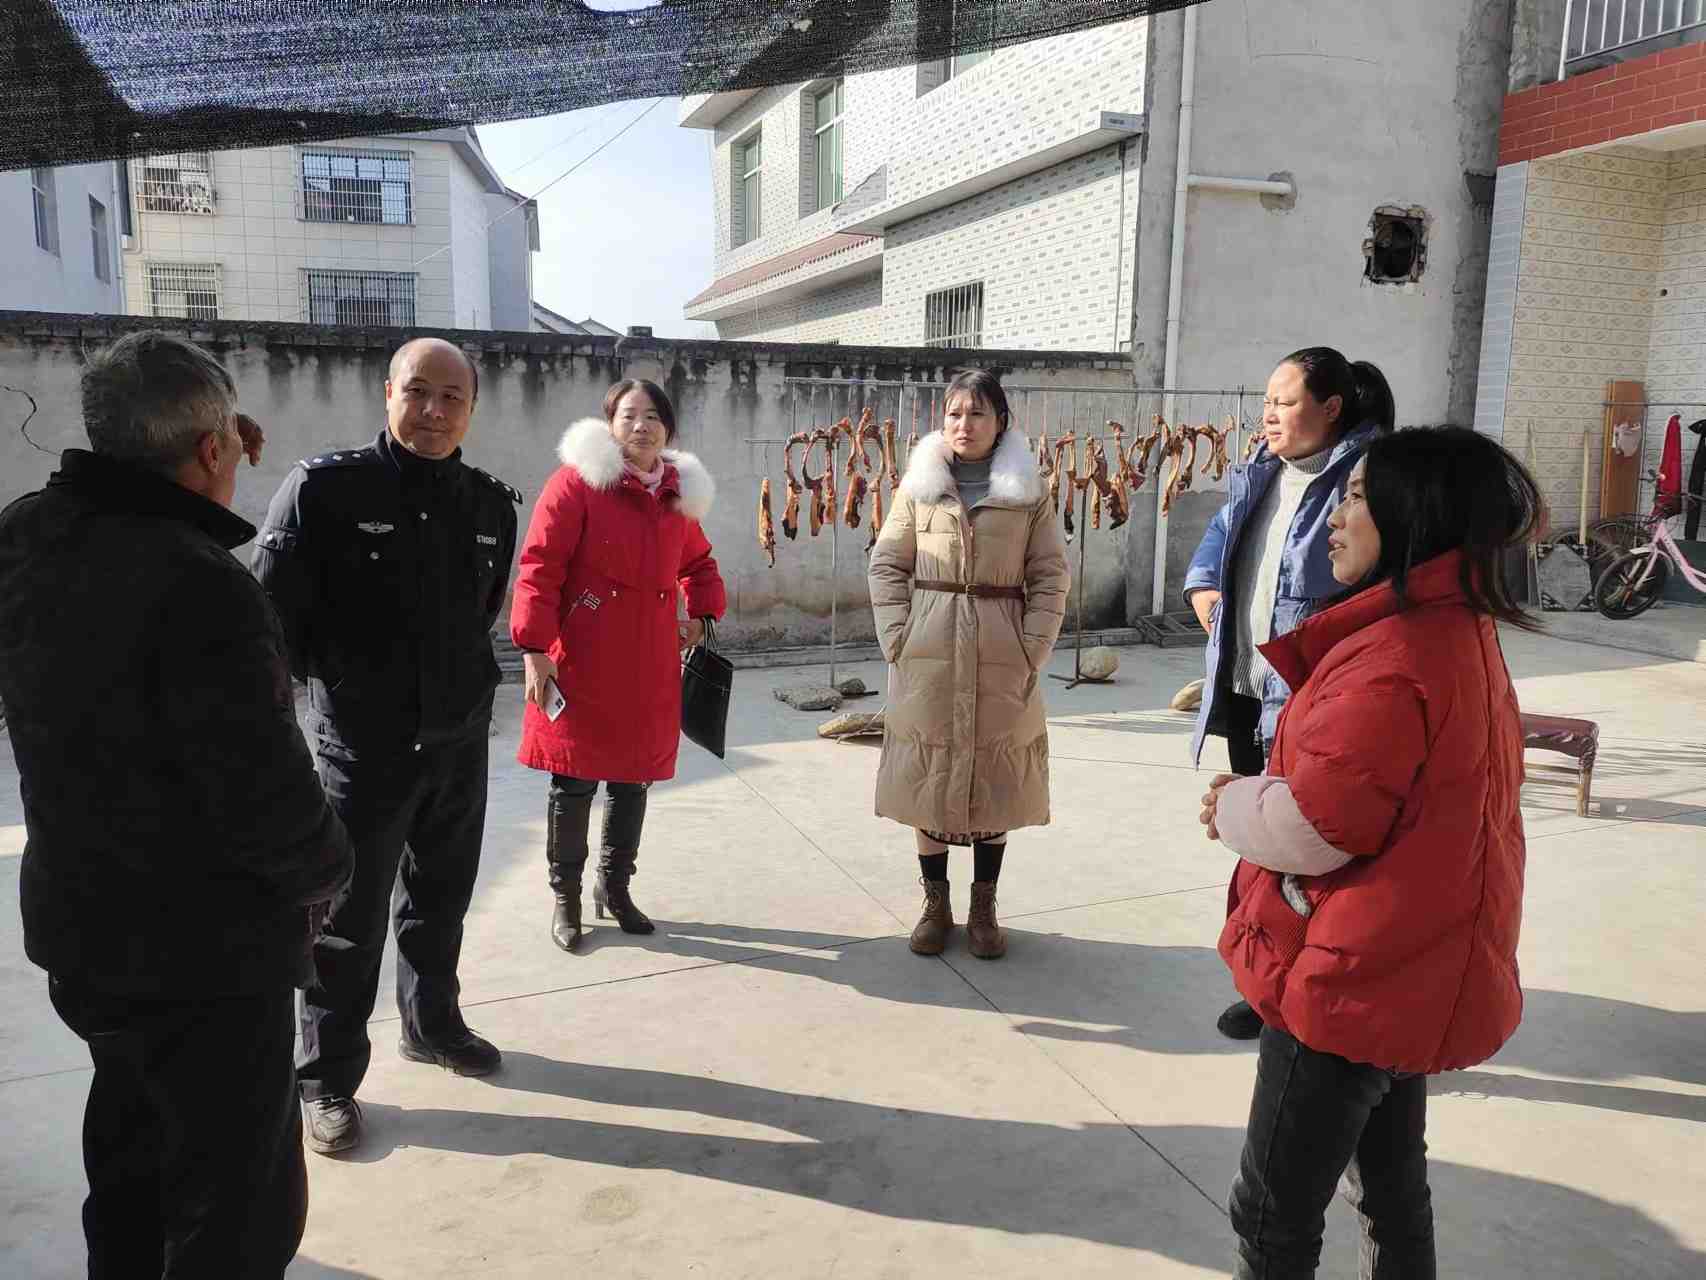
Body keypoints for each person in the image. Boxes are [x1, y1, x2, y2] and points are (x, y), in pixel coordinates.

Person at [0, 331, 353, 1275]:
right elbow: (269, 803)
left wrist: (211, 444)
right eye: (229, 441)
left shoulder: (25, 532)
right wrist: (332, 868)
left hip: (83, 933)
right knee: (237, 1207)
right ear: (208, 448)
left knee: (130, 1159)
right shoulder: (202, 585)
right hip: (202, 960)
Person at [1200, 426, 1537, 1279]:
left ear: (1410, 515)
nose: (1334, 519)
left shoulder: (1391, 658)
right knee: (1391, 1192)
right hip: (1405, 970)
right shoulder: (1455, 632)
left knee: (1272, 1215)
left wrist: (1233, 806)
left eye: (1354, 498)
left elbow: (1321, 829)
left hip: (1349, 979)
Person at [253, 336, 520, 1155]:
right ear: (388, 393)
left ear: (471, 408)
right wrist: (338, 697)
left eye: (453, 397)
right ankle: (326, 1079)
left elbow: (481, 614)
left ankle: (431, 1023)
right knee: (347, 921)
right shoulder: (323, 491)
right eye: (419, 392)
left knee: (440, 899)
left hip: (458, 743)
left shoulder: (490, 505)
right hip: (361, 751)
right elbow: (272, 628)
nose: (434, 411)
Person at [1182, 347, 1394, 1041]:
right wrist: (1205, 590)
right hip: (1248, 687)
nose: (1269, 414)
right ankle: (1264, 983)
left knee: (1309, 851)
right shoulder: (1262, 471)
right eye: (1267, 401)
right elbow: (1220, 537)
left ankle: (1306, 990)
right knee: (1260, 845)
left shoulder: (1360, 484)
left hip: (1308, 702)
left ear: (1331, 409)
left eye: (1285, 401)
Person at [510, 380, 726, 950]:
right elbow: (540, 566)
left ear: (668, 428)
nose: (641, 427)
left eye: (653, 416)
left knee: (633, 781)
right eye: (628, 415)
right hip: (582, 659)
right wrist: (534, 649)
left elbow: (699, 563)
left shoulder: (677, 495)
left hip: (650, 662)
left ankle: (615, 886)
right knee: (574, 781)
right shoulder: (577, 484)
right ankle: (566, 897)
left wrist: (702, 616)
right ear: (610, 423)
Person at [868, 369, 1070, 960]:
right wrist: (897, 637)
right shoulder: (919, 487)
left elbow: (1050, 573)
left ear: (1000, 422)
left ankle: (985, 905)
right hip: (928, 650)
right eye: (955, 413)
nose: (964, 424)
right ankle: (936, 904)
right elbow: (887, 563)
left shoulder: (1027, 492)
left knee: (995, 770)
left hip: (1002, 650)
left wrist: (1032, 646)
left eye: (978, 413)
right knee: (928, 771)